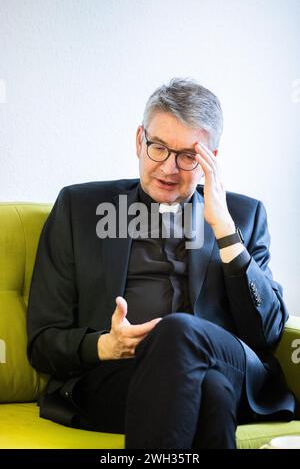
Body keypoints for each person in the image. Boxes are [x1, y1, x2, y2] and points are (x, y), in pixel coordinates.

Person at [27, 77, 295, 449]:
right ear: (139, 141)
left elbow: (267, 333)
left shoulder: (242, 216)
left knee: (179, 333)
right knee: (211, 392)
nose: (169, 168)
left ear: (209, 162)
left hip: (228, 366)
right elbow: (42, 340)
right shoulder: (80, 209)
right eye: (158, 148)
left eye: (188, 155)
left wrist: (225, 233)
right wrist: (105, 345)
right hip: (118, 376)